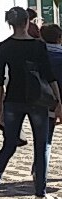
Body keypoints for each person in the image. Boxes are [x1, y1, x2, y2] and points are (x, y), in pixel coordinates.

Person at [0, 8, 62, 199]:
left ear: (10, 24)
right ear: (27, 22)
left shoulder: (4, 46)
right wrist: (58, 100)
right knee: (41, 146)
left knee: (9, 145)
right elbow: (49, 75)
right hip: (38, 100)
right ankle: (40, 194)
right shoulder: (38, 45)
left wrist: (0, 107)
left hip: (13, 100)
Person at [34, 24, 62, 180]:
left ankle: (38, 171)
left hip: (43, 101)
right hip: (59, 101)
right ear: (59, 39)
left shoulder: (38, 57)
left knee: (44, 140)